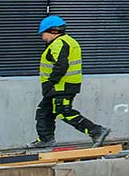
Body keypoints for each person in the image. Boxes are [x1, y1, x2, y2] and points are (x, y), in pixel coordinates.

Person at [32, 16, 110, 149]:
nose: (42, 37)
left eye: (43, 33)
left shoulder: (60, 43)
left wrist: (51, 83)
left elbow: (61, 66)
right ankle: (46, 140)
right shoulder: (68, 42)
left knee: (64, 112)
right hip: (58, 87)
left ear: (53, 31)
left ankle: (96, 131)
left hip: (60, 87)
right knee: (44, 112)